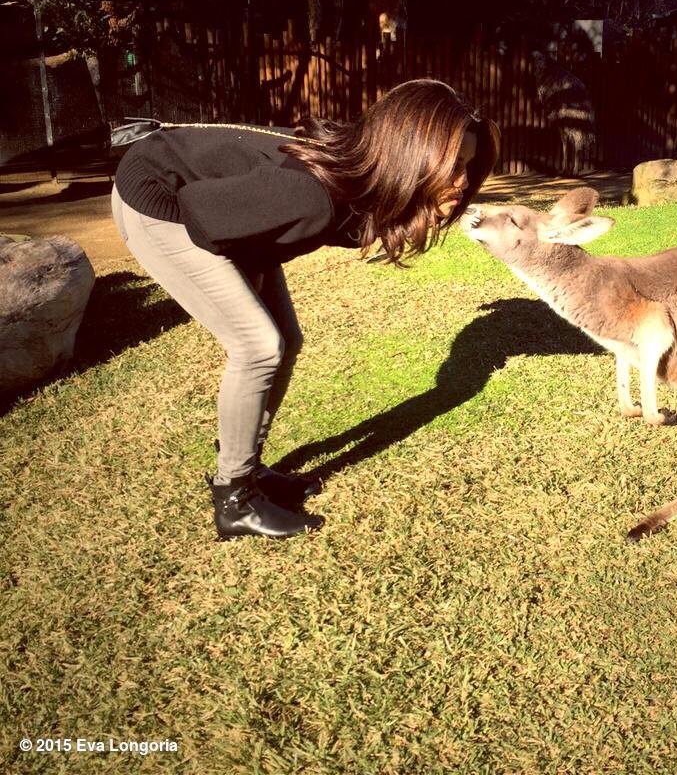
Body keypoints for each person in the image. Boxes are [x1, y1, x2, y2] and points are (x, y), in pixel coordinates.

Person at [111, 78, 500, 541]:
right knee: (258, 345)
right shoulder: (308, 196)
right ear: (409, 152)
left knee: (285, 339)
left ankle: (246, 466)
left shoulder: (357, 187)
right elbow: (203, 215)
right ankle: (234, 497)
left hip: (224, 213)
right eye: (452, 164)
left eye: (468, 167)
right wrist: (246, 279)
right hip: (160, 202)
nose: (461, 183)